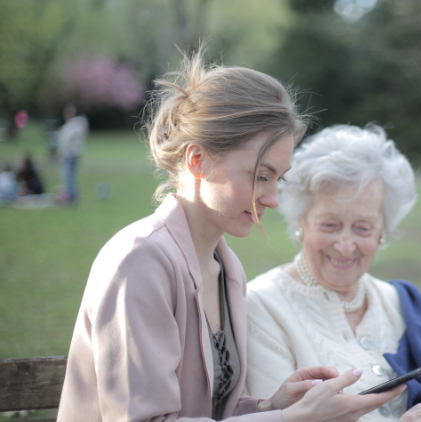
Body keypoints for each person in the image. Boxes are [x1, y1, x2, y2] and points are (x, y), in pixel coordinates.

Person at [57, 51, 403, 422]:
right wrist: (289, 420)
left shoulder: (228, 269)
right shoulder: (139, 261)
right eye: (260, 176)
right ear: (197, 160)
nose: (272, 198)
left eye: (278, 178)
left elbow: (207, 410)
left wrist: (272, 405)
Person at [244, 125, 421, 422]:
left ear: (382, 232)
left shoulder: (402, 303)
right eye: (329, 224)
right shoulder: (261, 306)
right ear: (301, 222)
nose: (344, 246)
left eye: (363, 227)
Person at [57, 102, 88, 204]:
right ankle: (70, 196)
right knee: (69, 176)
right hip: (70, 154)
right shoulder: (73, 124)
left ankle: (71, 198)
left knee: (68, 176)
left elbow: (66, 139)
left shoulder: (77, 123)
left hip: (71, 154)